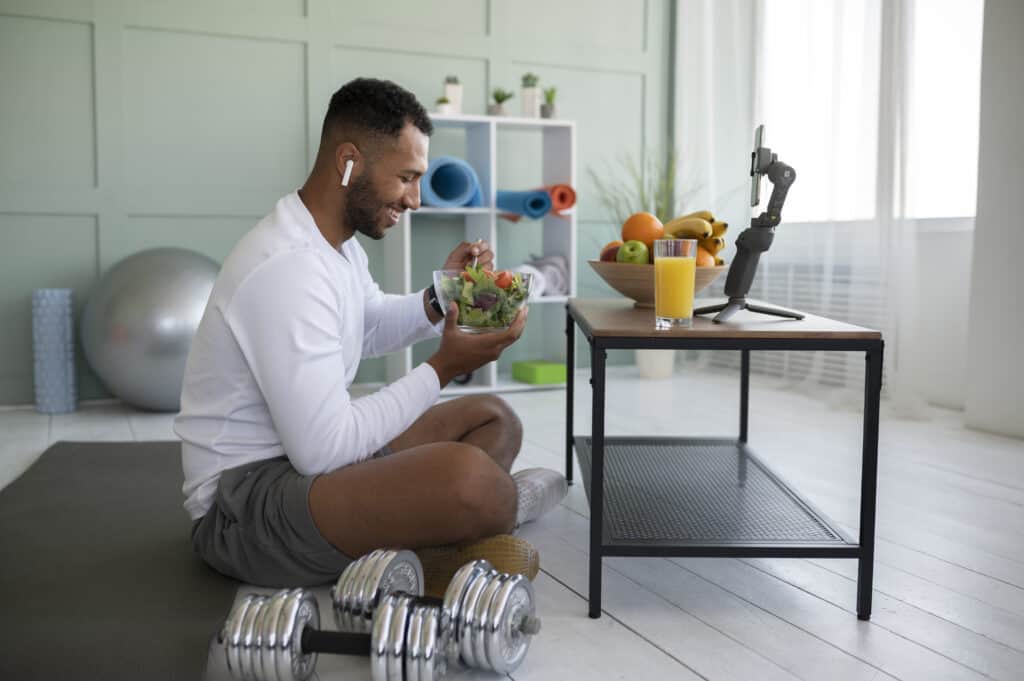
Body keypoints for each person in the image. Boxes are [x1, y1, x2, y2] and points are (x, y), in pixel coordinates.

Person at [175, 78, 567, 594]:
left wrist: (444, 294)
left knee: (494, 419)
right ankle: (497, 511)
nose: (417, 199)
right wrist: (444, 366)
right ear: (349, 162)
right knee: (472, 482)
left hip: (308, 469)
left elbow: (367, 325)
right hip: (246, 507)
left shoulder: (335, 245)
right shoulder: (287, 268)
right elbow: (323, 450)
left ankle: (442, 538)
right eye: (406, 178)